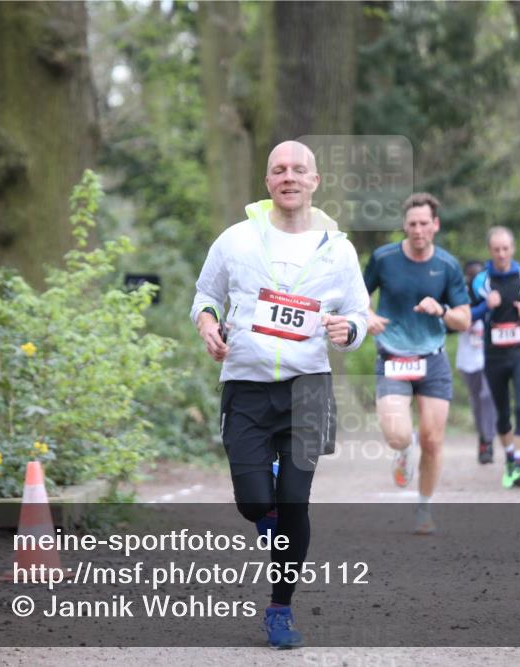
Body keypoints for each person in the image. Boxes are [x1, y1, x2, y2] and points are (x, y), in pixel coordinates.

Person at [191, 140, 369, 649]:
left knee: (295, 503)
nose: (288, 177)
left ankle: (280, 609)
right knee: (254, 506)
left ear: (314, 180)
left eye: (298, 169)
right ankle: (264, 504)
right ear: (267, 182)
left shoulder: (338, 248)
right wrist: (207, 325)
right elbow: (206, 297)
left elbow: (358, 312)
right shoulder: (236, 240)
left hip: (308, 386)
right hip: (246, 384)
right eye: (278, 170)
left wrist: (348, 331)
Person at [364, 193, 471, 535]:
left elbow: (464, 320)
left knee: (434, 440)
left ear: (435, 225)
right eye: (412, 224)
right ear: (404, 226)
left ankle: (424, 507)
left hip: (432, 360)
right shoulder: (383, 259)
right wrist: (367, 317)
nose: (418, 229)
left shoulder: (448, 265)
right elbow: (358, 298)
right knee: (397, 435)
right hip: (393, 356)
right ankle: (402, 450)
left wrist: (441, 310)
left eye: (425, 223)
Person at [470, 226, 520, 489]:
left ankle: (519, 467)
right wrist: (484, 306)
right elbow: (468, 313)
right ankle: (510, 460)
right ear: (490, 251)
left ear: (513, 249)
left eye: (506, 248)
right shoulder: (480, 282)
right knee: (502, 414)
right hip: (493, 355)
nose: (501, 254)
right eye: (496, 249)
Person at [455, 260, 497, 464]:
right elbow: (464, 319)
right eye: (470, 276)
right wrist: (484, 307)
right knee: (477, 400)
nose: (474, 280)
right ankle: (483, 435)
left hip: (489, 357)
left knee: (487, 395)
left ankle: (488, 441)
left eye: (478, 276)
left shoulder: (491, 294)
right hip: (467, 359)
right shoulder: (460, 296)